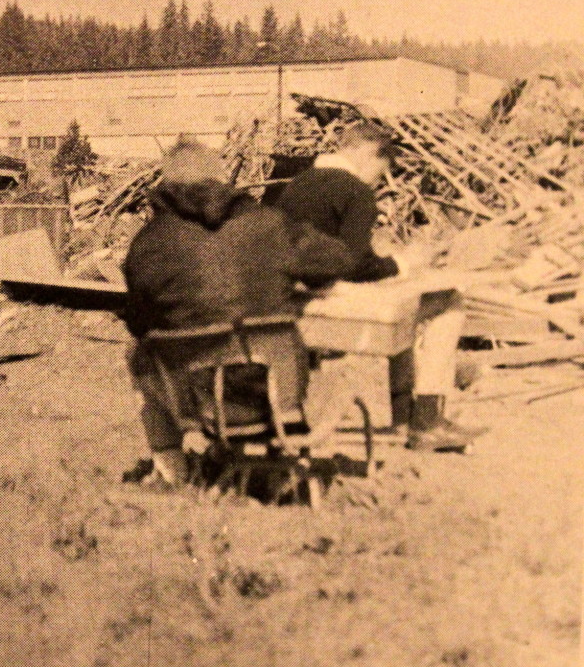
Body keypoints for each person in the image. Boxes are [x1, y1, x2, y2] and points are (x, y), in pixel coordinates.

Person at [122, 138, 355, 486]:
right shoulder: (268, 225)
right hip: (276, 394)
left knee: (140, 352)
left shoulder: (148, 244)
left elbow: (139, 321)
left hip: (195, 401)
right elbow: (338, 259)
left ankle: (172, 468)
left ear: (166, 186)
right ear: (221, 178)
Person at [276, 121, 487, 451]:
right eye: (380, 172)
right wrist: (403, 263)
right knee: (446, 301)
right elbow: (354, 265)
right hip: (331, 296)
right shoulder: (354, 192)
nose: (377, 181)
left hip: (293, 295)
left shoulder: (296, 184)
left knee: (407, 304)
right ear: (369, 154)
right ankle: (426, 420)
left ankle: (404, 417)